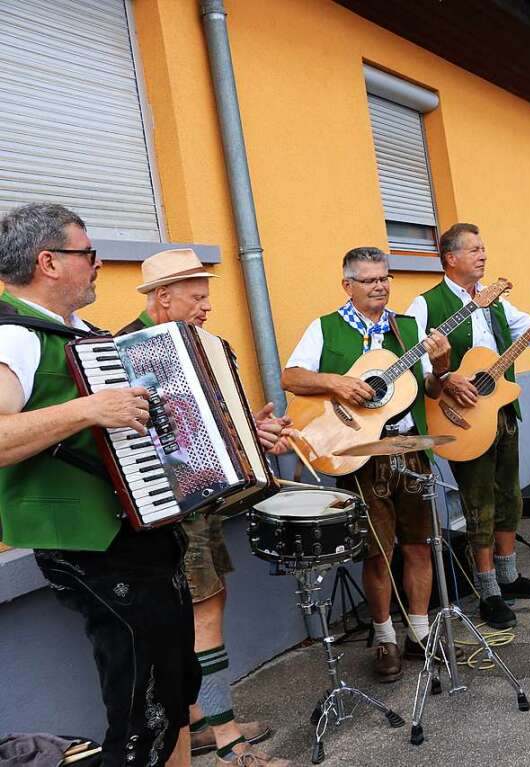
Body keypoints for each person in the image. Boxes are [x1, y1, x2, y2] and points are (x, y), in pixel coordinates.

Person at [0, 203, 197, 766]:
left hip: (139, 531)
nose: (98, 263)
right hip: (91, 544)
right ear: (49, 262)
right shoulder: (14, 337)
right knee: (142, 712)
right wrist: (88, 409)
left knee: (173, 692)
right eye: (87, 253)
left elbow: (129, 423)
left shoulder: (83, 334)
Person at [118, 249, 291, 767]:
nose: (207, 306)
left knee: (208, 609)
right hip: (168, 509)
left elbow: (220, 425)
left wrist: (255, 433)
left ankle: (198, 719)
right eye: (197, 296)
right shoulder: (123, 352)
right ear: (162, 297)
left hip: (206, 505)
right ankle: (229, 742)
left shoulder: (210, 348)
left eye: (207, 295)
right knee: (203, 616)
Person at [281, 246, 451, 683]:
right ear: (348, 285)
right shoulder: (325, 328)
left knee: (419, 545)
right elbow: (291, 377)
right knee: (377, 553)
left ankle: (419, 631)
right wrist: (335, 382)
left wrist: (442, 365)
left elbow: (430, 391)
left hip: (408, 449)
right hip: (359, 456)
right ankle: (384, 637)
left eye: (385, 278)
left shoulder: (408, 327)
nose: (380, 286)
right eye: (370, 280)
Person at [407, 223, 530, 628]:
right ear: (450, 258)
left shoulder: (496, 302)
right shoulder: (426, 304)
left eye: (484, 248)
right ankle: (487, 591)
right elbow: (414, 358)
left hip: (501, 412)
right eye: (475, 250)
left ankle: (509, 576)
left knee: (510, 498)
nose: (484, 255)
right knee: (478, 504)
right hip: (462, 417)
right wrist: (449, 379)